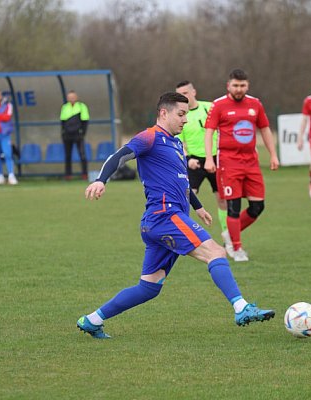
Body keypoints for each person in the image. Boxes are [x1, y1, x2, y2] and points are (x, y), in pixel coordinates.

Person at [77, 92, 275, 339]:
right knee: (216, 252)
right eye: (181, 114)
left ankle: (91, 320)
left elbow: (181, 181)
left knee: (149, 288)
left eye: (186, 115)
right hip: (165, 216)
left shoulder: (176, 144)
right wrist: (101, 180)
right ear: (164, 113)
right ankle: (241, 307)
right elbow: (120, 155)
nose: (185, 120)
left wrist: (198, 207)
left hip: (159, 220)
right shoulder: (150, 137)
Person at [204, 69, 279, 262]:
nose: (239, 89)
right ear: (228, 86)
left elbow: (265, 129)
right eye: (235, 85)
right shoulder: (219, 105)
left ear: (248, 85)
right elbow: (209, 132)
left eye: (242, 85)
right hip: (229, 163)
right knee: (234, 206)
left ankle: (229, 234)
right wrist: (209, 158)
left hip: (251, 162)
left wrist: (273, 154)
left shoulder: (255, 104)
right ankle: (236, 248)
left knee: (257, 206)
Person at [175, 80, 232, 255]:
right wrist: (188, 159)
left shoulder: (210, 107)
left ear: (194, 92)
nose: (183, 97)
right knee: (186, 198)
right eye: (179, 94)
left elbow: (224, 129)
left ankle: (228, 238)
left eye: (185, 93)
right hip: (194, 162)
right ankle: (182, 238)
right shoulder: (180, 115)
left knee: (222, 200)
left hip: (215, 159)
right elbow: (179, 141)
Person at [60, 91, 90, 180]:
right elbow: (62, 122)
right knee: (68, 155)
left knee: (82, 155)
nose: (71, 99)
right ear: (67, 98)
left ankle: (84, 174)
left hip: (78, 135)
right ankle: (68, 175)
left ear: (76, 97)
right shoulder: (65, 107)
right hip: (67, 135)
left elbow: (85, 121)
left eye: (73, 97)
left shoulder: (81, 106)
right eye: (70, 97)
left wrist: (82, 133)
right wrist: (63, 133)